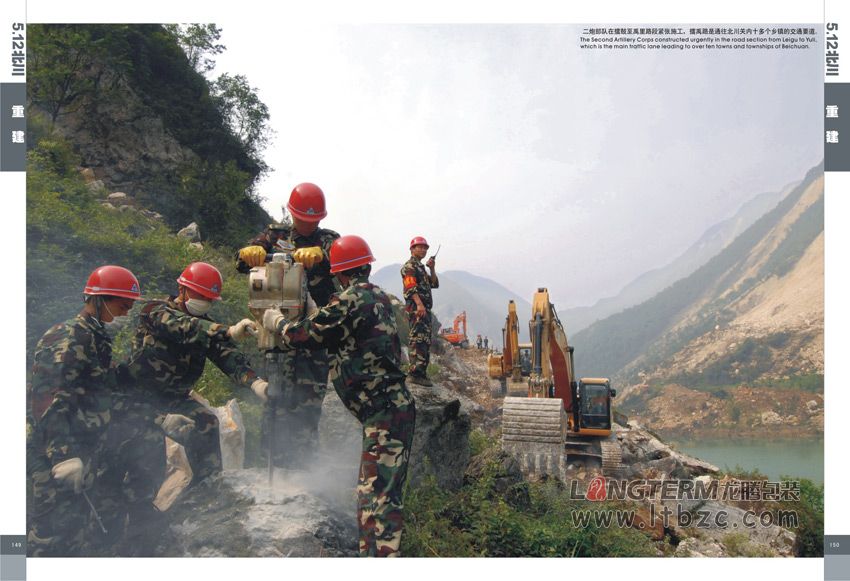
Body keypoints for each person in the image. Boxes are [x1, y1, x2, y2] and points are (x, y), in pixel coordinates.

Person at [262, 235, 415, 557]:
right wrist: (316, 312)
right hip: (387, 410)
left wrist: (279, 322)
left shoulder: (351, 299)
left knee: (380, 502)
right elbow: (340, 330)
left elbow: (304, 335)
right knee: (371, 494)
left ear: (340, 273)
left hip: (385, 413)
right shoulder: (377, 297)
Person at [28, 266, 166, 556]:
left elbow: (104, 394)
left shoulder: (96, 338)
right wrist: (63, 455)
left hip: (82, 442)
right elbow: (46, 400)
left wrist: (159, 418)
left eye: (130, 307)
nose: (126, 312)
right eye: (123, 305)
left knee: (77, 531)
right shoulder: (69, 337)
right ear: (100, 299)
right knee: (47, 534)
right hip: (50, 447)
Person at [124, 262, 267, 482]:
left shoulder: (207, 328)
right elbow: (185, 326)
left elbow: (227, 355)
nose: (205, 302)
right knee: (147, 461)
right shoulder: (156, 311)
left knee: (207, 423)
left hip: (175, 398)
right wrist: (228, 330)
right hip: (139, 398)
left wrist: (255, 383)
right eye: (200, 295)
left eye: (209, 299)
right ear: (182, 290)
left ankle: (208, 485)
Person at [235, 182, 340, 468]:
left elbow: (340, 259)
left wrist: (321, 254)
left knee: (309, 401)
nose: (309, 224)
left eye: (314, 219)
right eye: (303, 218)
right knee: (275, 400)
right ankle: (271, 464)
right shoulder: (275, 236)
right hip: (276, 333)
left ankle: (304, 467)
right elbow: (242, 263)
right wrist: (250, 252)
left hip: (313, 335)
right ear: (292, 214)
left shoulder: (328, 239)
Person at [400, 236, 439, 386]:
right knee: (417, 339)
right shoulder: (410, 266)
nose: (423, 250)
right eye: (420, 247)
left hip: (424, 309)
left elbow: (434, 284)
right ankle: (415, 374)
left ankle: (421, 373)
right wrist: (419, 305)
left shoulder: (421, 268)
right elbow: (410, 287)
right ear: (412, 249)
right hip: (417, 309)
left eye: (425, 248)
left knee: (424, 340)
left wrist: (432, 268)